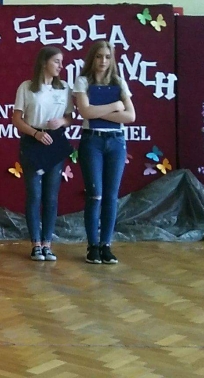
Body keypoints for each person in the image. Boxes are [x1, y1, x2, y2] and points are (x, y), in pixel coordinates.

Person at [73, 41, 136, 265]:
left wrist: (99, 112)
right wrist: (115, 106)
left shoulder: (118, 81)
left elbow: (130, 116)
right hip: (92, 141)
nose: (103, 61)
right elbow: (85, 111)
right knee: (95, 194)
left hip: (116, 141)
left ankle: (106, 245)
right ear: (93, 58)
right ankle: (93, 246)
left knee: (111, 195)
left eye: (107, 57)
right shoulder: (83, 81)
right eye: (99, 56)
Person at [12, 46, 74, 262]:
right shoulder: (26, 87)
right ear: (44, 62)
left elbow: (70, 117)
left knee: (51, 196)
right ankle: (35, 244)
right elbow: (17, 119)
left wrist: (62, 121)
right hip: (33, 141)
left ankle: (47, 243)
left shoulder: (64, 88)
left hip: (55, 142)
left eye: (61, 62)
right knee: (34, 194)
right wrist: (36, 133)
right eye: (56, 61)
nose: (60, 66)